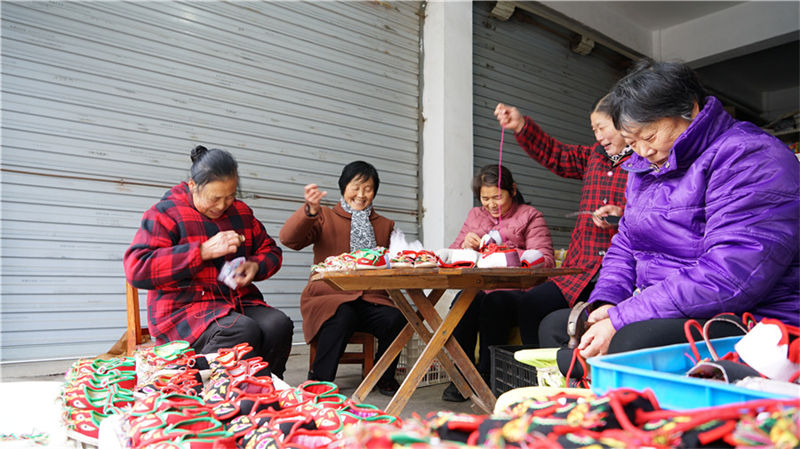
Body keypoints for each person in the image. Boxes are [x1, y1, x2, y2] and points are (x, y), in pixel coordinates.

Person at [539, 60, 799, 368]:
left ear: (689, 108)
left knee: (630, 344)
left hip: (752, 314)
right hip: (669, 306)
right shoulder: (645, 166)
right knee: (560, 327)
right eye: (632, 142)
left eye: (649, 137)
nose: (643, 151)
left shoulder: (750, 157)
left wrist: (624, 317)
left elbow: (730, 276)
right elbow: (626, 242)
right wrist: (608, 302)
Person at [124, 145, 294, 377]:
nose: (223, 205)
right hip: (184, 309)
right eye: (215, 198)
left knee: (278, 325)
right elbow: (137, 268)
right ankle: (199, 392)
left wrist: (255, 266)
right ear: (193, 185)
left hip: (236, 302)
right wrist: (201, 251)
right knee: (240, 330)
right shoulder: (167, 214)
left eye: (230, 196)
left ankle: (264, 391)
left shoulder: (241, 212)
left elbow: (271, 251)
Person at [487, 96, 631, 348]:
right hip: (580, 269)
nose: (598, 136)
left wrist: (622, 214)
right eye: (594, 129)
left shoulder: (644, 162)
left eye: (602, 127)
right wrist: (521, 126)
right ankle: (537, 374)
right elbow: (556, 154)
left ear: (623, 124)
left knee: (592, 321)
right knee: (533, 304)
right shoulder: (592, 157)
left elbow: (654, 215)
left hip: (619, 274)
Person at [279, 161, 405, 396]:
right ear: (343, 187)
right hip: (330, 296)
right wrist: (310, 210)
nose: (361, 194)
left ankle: (383, 375)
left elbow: (395, 260)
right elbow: (289, 239)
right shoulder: (324, 216)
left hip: (372, 298)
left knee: (397, 318)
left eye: (368, 188)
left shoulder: (385, 225)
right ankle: (320, 380)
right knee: (342, 314)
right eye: (355, 187)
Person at [442, 164, 554, 402]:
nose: (491, 204)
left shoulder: (530, 215)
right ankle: (462, 375)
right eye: (485, 198)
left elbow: (545, 260)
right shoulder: (475, 215)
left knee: (495, 303)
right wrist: (464, 247)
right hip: (480, 286)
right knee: (464, 304)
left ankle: (487, 372)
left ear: (512, 190)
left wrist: (505, 250)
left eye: (497, 197)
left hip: (516, 291)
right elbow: (453, 253)